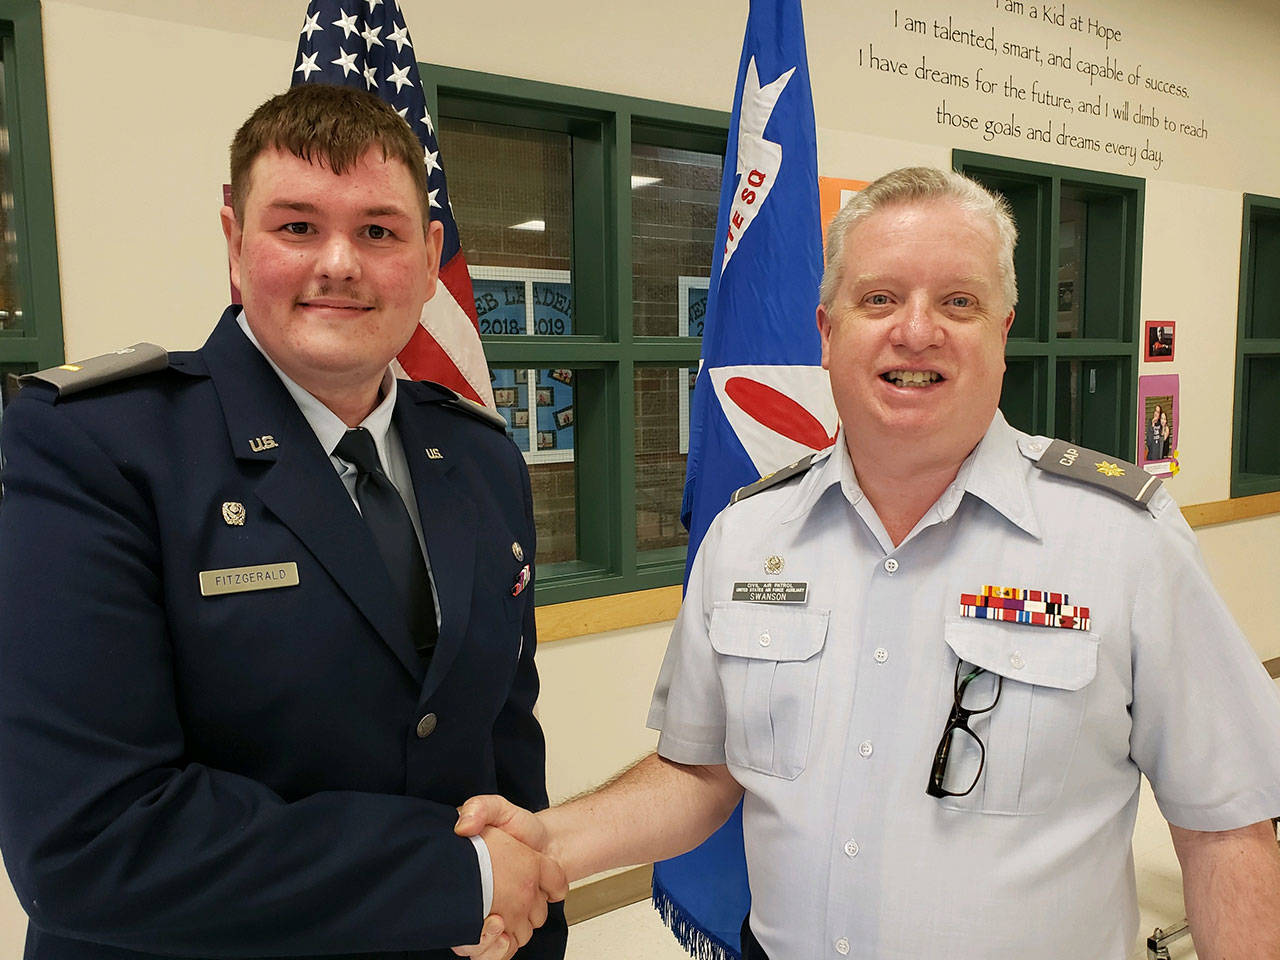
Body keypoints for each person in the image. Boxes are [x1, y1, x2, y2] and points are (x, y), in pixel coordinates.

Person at [456, 167, 1280, 960]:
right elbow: (702, 773)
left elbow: (1224, 826)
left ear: (1002, 335)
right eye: (879, 298)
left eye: (958, 301)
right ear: (827, 333)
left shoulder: (1124, 540)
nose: (915, 331)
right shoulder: (749, 536)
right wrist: (547, 843)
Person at [0, 83, 565, 960]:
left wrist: (525, 920)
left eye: (378, 231)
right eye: (297, 226)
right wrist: (466, 882)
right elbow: (91, 838)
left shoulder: (481, 457)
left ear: (429, 257)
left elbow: (503, 739)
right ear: (234, 243)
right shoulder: (100, 450)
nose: (339, 263)